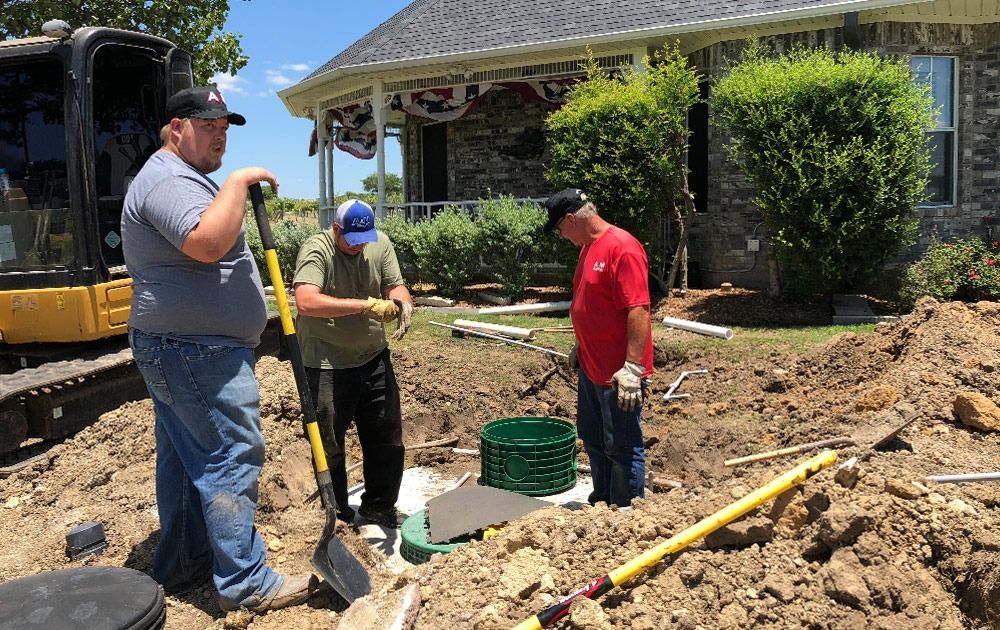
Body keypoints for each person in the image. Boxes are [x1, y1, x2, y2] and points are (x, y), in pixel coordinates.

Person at [121, 86, 316, 612]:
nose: (219, 138)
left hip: (185, 346)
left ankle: (184, 564)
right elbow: (206, 244)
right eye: (209, 127)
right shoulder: (166, 178)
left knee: (189, 461)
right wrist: (236, 181)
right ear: (176, 129)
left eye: (225, 130)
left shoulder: (181, 178)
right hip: (194, 351)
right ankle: (246, 582)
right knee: (230, 454)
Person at [292, 199, 414, 528]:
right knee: (328, 443)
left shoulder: (379, 243)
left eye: (365, 238)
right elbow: (305, 301)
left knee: (386, 437)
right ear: (336, 230)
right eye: (352, 239)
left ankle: (379, 506)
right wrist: (364, 306)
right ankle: (338, 517)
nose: (360, 245)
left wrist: (402, 301)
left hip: (373, 357)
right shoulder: (317, 250)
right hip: (326, 362)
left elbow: (395, 284)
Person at [543, 188, 654, 508]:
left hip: (618, 374)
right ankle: (602, 503)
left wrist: (633, 367)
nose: (562, 236)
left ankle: (625, 510)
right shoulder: (588, 248)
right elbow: (590, 304)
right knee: (593, 439)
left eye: (560, 229)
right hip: (592, 368)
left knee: (621, 444)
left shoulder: (623, 248)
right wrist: (581, 343)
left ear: (570, 219)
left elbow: (638, 309)